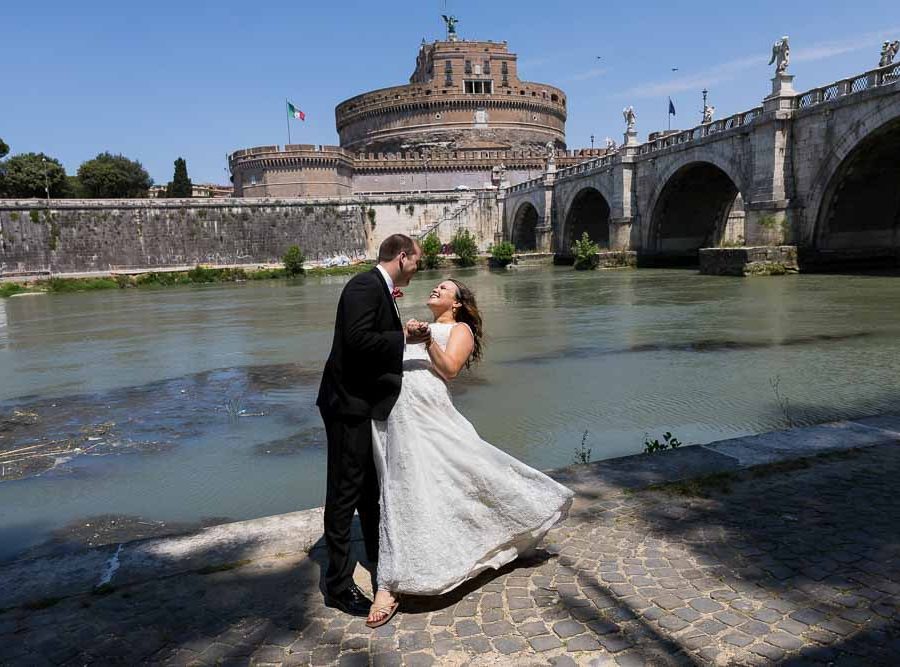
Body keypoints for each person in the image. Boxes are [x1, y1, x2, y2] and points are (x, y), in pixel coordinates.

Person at [366, 278, 575, 627]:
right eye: (435, 286)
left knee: (468, 471)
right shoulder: (414, 325)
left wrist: (428, 339)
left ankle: (388, 586)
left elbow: (448, 370)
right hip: (398, 412)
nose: (435, 289)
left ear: (458, 302)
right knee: (402, 488)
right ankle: (393, 581)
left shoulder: (460, 329)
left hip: (430, 412)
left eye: (444, 288)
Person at [316, 234, 427, 616]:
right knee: (346, 491)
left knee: (368, 488)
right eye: (416, 261)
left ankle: (380, 557)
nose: (418, 267)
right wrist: (404, 338)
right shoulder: (365, 285)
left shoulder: (380, 287)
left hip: (361, 403)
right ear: (402, 256)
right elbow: (358, 340)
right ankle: (338, 584)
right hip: (348, 405)